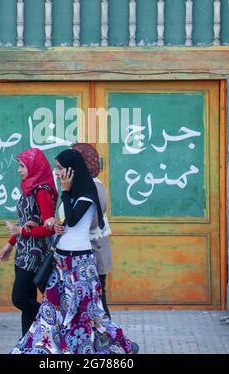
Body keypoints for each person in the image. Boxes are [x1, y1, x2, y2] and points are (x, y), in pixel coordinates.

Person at [11, 148, 139, 354]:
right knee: (51, 308)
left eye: (60, 168)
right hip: (61, 261)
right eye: (56, 168)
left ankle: (125, 345)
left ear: (71, 170)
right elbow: (66, 222)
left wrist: (66, 190)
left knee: (91, 312)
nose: (56, 172)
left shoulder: (88, 194)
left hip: (80, 264)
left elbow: (73, 219)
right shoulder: (71, 193)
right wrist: (52, 223)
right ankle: (43, 349)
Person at [0, 148, 58, 337]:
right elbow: (26, 222)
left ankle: (54, 317)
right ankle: (27, 345)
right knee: (27, 304)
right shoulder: (29, 188)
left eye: (22, 166)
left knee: (20, 298)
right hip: (23, 253)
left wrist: (21, 231)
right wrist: (10, 243)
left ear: (34, 167)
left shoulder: (42, 192)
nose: (19, 170)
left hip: (35, 255)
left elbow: (50, 227)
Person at [71, 143, 112, 318]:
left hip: (94, 251)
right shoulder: (81, 185)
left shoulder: (93, 185)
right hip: (85, 252)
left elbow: (93, 221)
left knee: (98, 302)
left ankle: (113, 340)